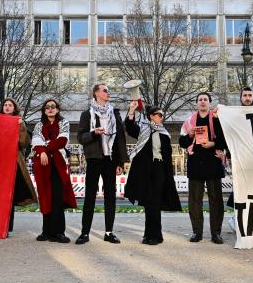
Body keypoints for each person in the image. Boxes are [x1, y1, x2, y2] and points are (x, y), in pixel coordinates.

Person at [75, 83, 129, 245]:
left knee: (110, 197)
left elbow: (120, 138)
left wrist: (119, 161)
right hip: (94, 158)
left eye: (108, 90)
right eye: (105, 90)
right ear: (96, 93)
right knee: (90, 196)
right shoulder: (87, 114)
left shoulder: (114, 113)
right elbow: (80, 138)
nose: (108, 92)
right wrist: (93, 133)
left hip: (110, 160)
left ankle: (109, 232)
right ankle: (85, 233)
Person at [124, 103, 181, 245]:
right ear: (151, 116)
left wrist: (169, 174)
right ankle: (149, 234)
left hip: (159, 169)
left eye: (162, 115)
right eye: (159, 115)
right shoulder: (144, 129)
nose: (161, 117)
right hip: (144, 170)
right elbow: (130, 128)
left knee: (155, 202)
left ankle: (155, 235)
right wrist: (131, 111)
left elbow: (167, 155)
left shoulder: (165, 133)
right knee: (149, 203)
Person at [179, 92, 227, 244]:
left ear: (210, 103)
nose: (203, 102)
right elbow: (182, 143)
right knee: (194, 201)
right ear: (196, 103)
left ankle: (216, 233)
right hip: (195, 164)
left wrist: (214, 144)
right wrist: (190, 136)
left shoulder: (217, 119)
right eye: (200, 99)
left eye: (206, 99)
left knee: (216, 201)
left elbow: (225, 140)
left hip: (213, 162)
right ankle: (197, 232)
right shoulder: (189, 121)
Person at [32, 99, 77, 243]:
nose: (50, 109)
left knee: (58, 197)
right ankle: (46, 231)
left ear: (57, 109)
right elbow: (35, 141)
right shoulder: (39, 125)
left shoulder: (64, 123)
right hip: (43, 164)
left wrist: (44, 148)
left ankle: (59, 232)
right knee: (45, 195)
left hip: (58, 163)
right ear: (44, 111)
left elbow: (62, 141)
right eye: (47, 107)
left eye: (53, 107)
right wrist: (43, 151)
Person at [0, 98, 38, 235]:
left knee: (9, 195)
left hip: (13, 161)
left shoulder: (19, 121)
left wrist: (21, 126)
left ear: (14, 108)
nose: (7, 107)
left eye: (10, 105)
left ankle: (7, 225)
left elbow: (24, 143)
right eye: (5, 105)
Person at [227, 87, 253, 232]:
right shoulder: (235, 115)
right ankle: (236, 219)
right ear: (240, 98)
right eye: (245, 95)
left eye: (250, 95)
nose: (247, 98)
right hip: (240, 159)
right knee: (240, 190)